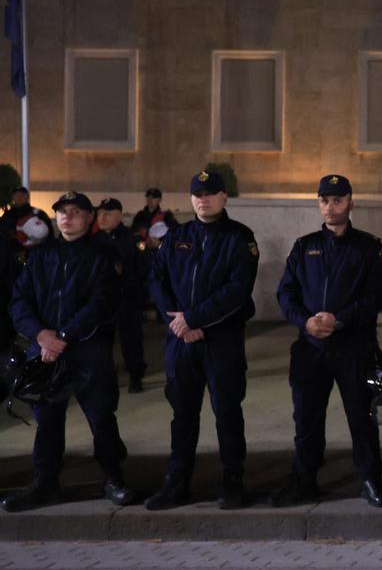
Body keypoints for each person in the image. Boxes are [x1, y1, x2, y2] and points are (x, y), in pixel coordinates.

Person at [3, 191, 136, 511]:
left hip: (88, 350)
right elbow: (19, 300)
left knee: (101, 417)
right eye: (63, 212)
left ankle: (113, 477)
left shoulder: (103, 255)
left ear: (89, 217)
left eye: (77, 212)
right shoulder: (39, 255)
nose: (68, 217)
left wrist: (62, 336)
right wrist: (41, 335)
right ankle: (45, 482)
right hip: (46, 351)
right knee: (47, 422)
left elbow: (102, 302)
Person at [271, 174, 382, 508]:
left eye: (337, 199)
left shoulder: (369, 247)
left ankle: (370, 479)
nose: (330, 206)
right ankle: (305, 480)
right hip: (311, 347)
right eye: (324, 199)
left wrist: (338, 320)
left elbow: (375, 298)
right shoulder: (304, 245)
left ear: (350, 202)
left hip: (353, 347)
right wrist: (305, 322)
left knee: (362, 418)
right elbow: (286, 292)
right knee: (307, 420)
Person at [145, 170, 259, 510]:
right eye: (197, 193)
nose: (202, 199)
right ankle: (177, 481)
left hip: (221, 340)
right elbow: (156, 279)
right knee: (183, 414)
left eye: (210, 193)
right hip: (181, 341)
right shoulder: (177, 236)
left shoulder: (240, 237)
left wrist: (194, 319)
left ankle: (232, 479)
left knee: (226, 411)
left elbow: (237, 290)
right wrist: (178, 320)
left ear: (224, 197)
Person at [95, 198, 148, 392]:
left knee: (131, 339)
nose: (102, 218)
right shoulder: (95, 241)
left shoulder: (132, 240)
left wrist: (129, 286)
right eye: (100, 214)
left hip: (127, 298)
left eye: (107, 214)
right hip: (102, 301)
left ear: (119, 215)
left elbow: (143, 269)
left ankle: (136, 376)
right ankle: (106, 378)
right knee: (102, 342)